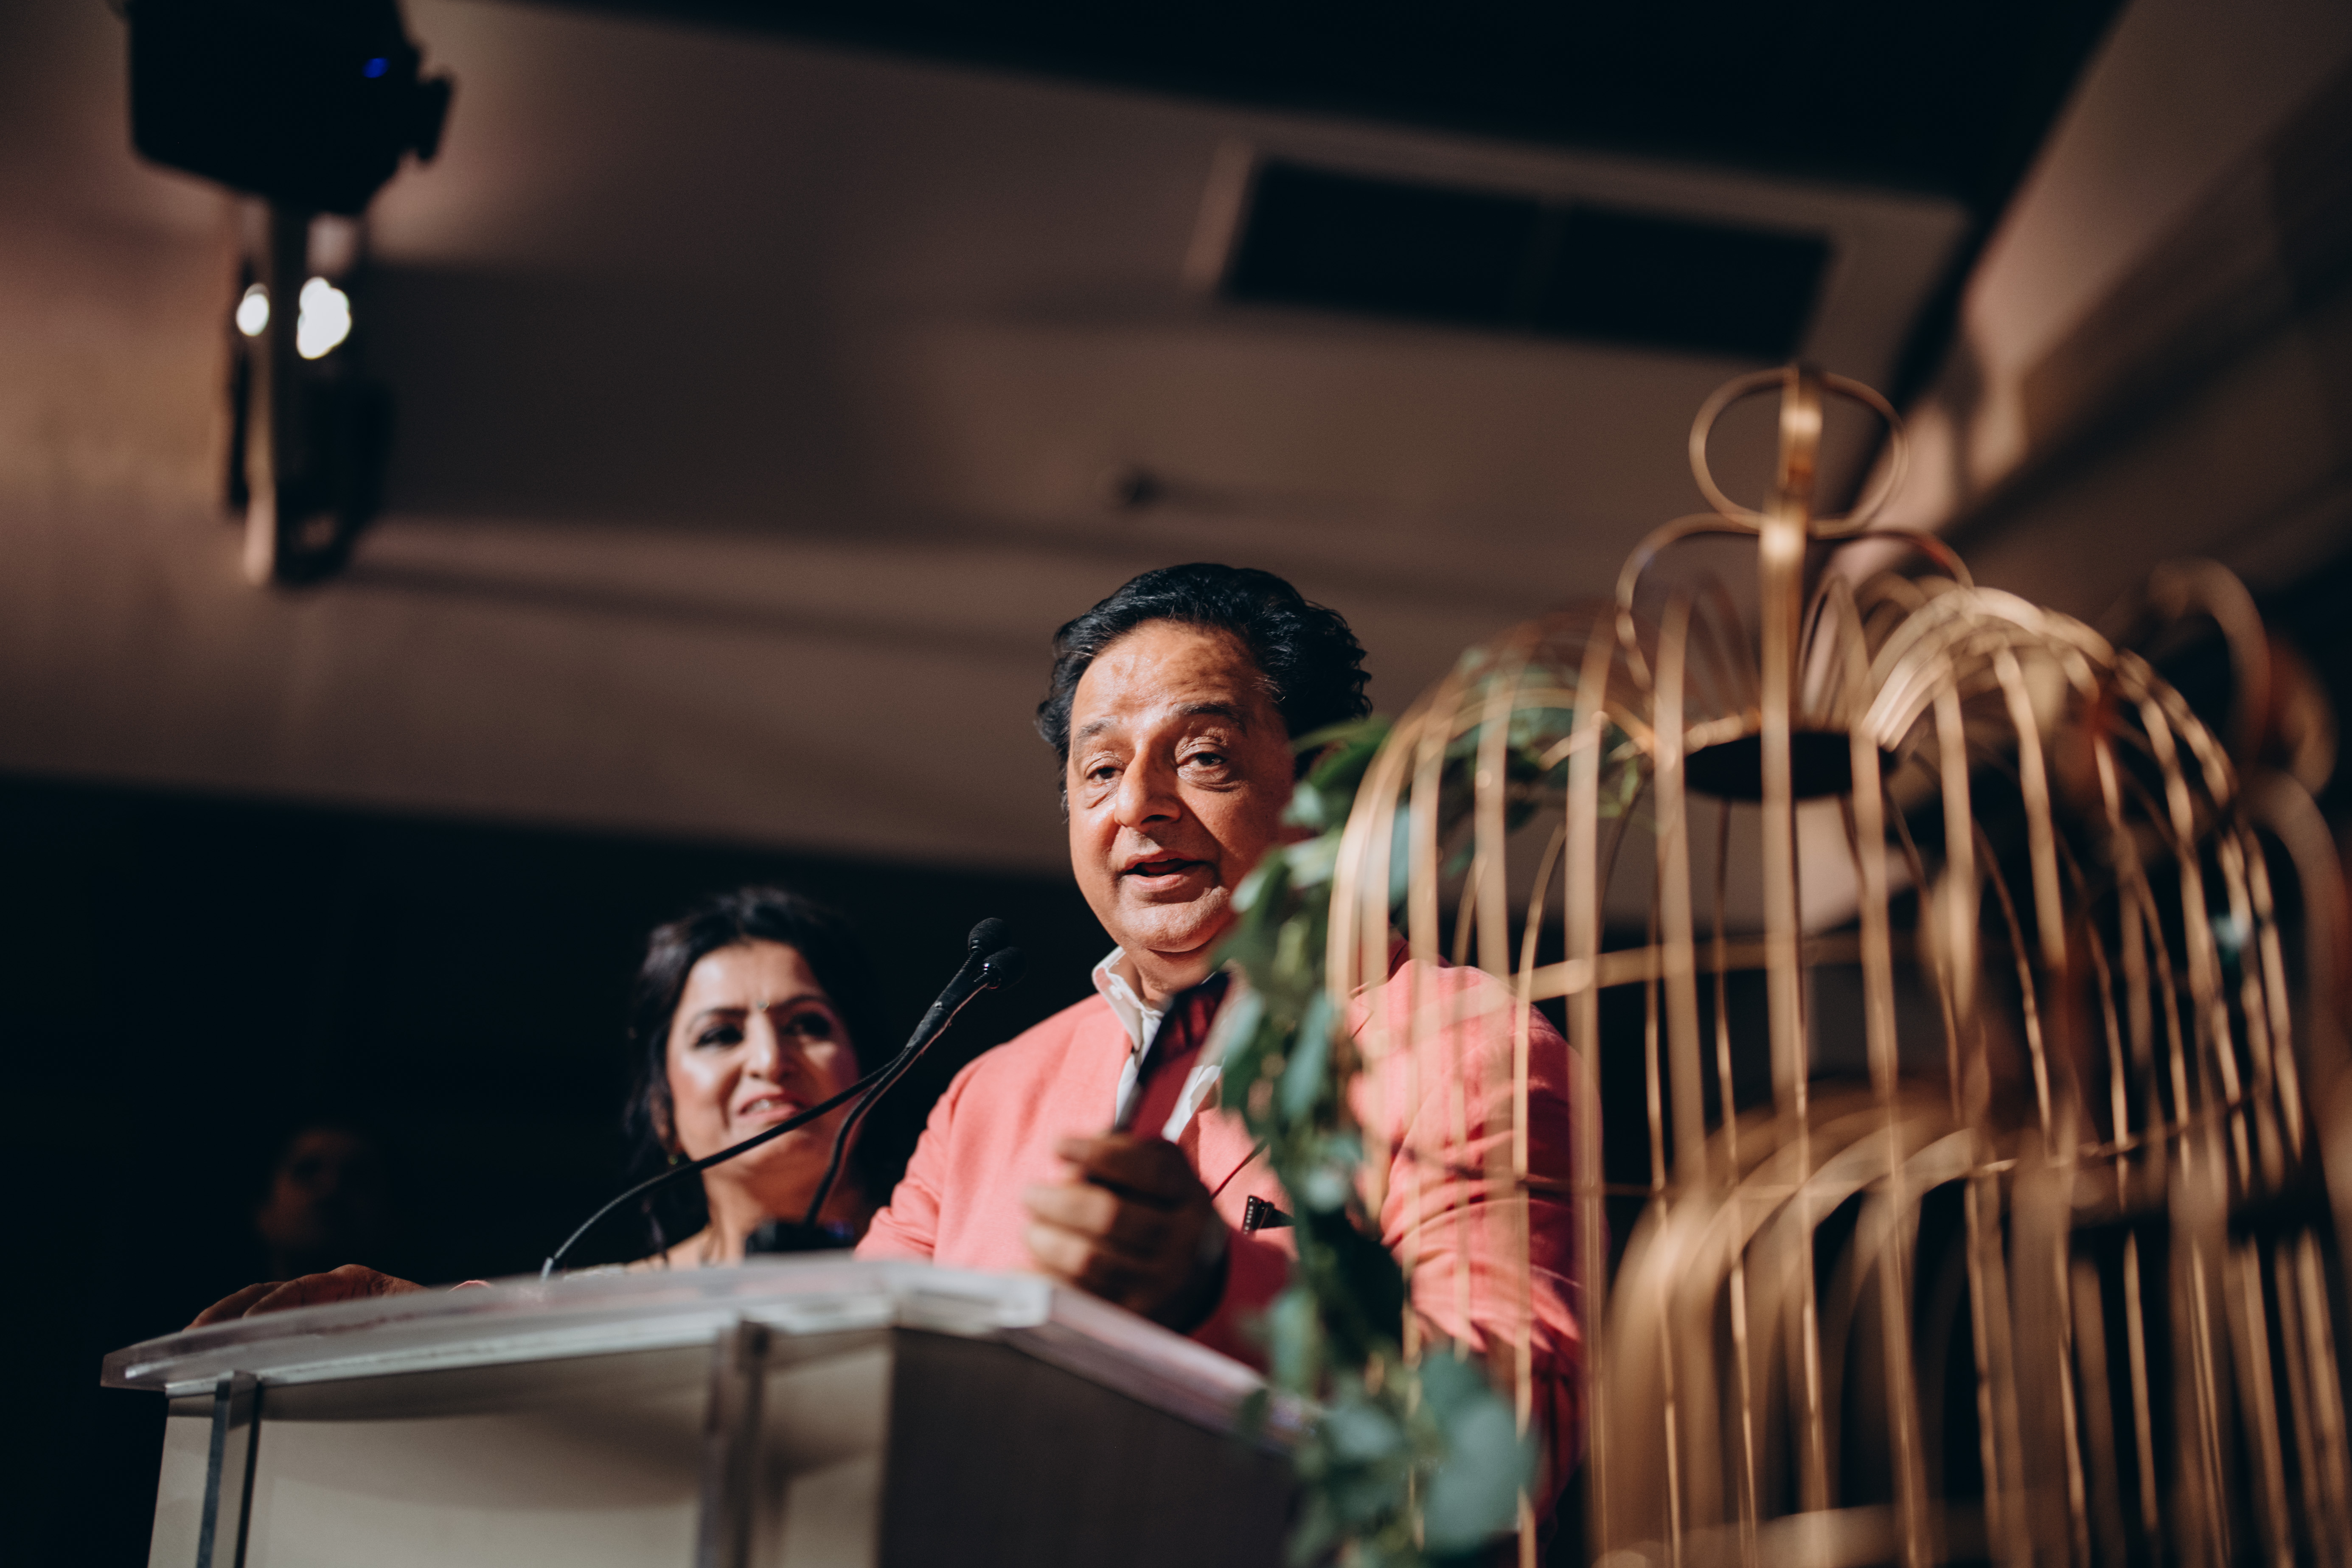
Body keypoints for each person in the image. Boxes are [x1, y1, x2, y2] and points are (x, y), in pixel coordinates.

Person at [856, 563, 1581, 1483]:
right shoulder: (989, 1096)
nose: (1138, 805)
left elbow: (1514, 1436)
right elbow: (855, 1375)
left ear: (1324, 787)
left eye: (1202, 757)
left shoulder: (1468, 1048)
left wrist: (1219, 1284)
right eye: (1101, 770)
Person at [191, 887, 895, 1323]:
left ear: (871, 1071)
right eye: (720, 1035)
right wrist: (437, 1329)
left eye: (808, 1024)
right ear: (661, 1108)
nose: (769, 1060)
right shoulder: (585, 1312)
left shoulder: (949, 1260)